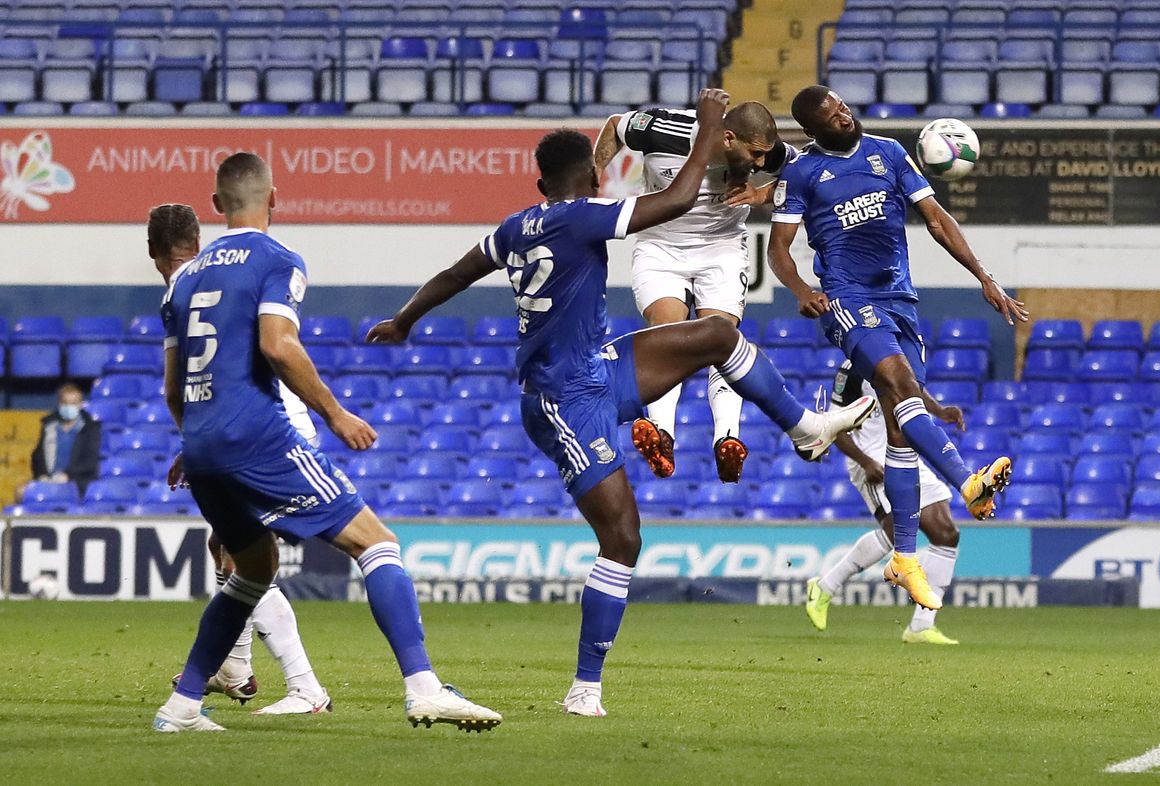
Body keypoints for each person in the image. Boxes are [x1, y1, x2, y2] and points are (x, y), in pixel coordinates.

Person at [367, 88, 875, 718]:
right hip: (562, 399)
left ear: (539, 180)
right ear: (588, 176)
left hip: (597, 366)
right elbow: (680, 199)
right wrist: (711, 123)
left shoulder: (513, 226)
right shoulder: (582, 215)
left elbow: (454, 274)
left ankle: (804, 428)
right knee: (624, 537)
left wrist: (403, 319)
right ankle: (584, 690)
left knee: (718, 334)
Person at [152, 153, 500, 733]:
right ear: (275, 199)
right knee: (377, 543)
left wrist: (197, 441)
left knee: (250, 571)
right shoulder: (278, 259)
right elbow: (277, 344)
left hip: (203, 445)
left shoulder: (183, 278)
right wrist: (336, 414)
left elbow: (172, 386)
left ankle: (183, 705)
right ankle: (424, 688)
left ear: (216, 206)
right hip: (257, 436)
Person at [767, 85, 1028, 611]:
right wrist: (802, 292)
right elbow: (778, 250)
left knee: (900, 431)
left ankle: (905, 558)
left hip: (900, 300)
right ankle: (968, 481)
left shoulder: (887, 151)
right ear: (813, 132)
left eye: (844, 106)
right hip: (847, 296)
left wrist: (986, 277)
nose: (845, 115)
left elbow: (937, 219)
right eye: (833, 116)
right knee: (900, 384)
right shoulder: (800, 175)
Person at [147, 202, 332, 715]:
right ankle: (236, 665)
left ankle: (306, 689)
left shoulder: (181, 291)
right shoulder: (225, 274)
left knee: (248, 558)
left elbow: (178, 388)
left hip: (264, 426)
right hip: (266, 420)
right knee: (223, 544)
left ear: (151, 251)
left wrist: (198, 442)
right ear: (199, 238)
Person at [592, 101, 790, 484]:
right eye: (754, 154)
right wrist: (594, 173)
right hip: (660, 244)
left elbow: (807, 174)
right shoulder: (662, 129)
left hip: (722, 246)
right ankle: (661, 433)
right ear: (728, 138)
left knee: (721, 336)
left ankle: (728, 439)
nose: (761, 162)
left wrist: (762, 194)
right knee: (667, 327)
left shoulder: (769, 154)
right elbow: (617, 126)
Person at [805, 360, 963, 644]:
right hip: (871, 457)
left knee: (946, 534)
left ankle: (921, 626)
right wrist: (866, 462)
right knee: (897, 534)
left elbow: (908, 388)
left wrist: (939, 410)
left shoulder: (898, 354)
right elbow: (833, 427)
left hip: (903, 453)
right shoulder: (852, 369)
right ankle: (825, 586)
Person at [30, 383, 101, 495]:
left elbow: (90, 462)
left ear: (80, 405)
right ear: (59, 403)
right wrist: (42, 475)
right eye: (65, 403)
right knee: (21, 492)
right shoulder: (49, 427)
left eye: (73, 403)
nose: (69, 407)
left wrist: (68, 475)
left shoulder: (90, 429)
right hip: (47, 481)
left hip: (77, 483)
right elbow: (38, 456)